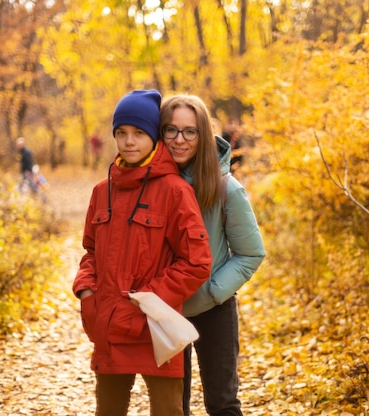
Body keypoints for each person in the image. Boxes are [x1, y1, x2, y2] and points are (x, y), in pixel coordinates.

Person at [72, 90, 213, 416]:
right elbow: (90, 251)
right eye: (121, 133)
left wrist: (148, 300)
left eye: (138, 133)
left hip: (154, 327)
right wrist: (87, 290)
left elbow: (196, 262)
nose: (129, 141)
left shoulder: (176, 191)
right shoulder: (101, 191)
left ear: (154, 137)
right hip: (109, 326)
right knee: (107, 411)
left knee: (167, 411)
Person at [160, 94, 266, 416]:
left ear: (203, 134)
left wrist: (212, 291)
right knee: (173, 407)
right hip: (167, 310)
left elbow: (251, 253)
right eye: (171, 130)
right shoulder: (150, 188)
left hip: (214, 310)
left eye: (189, 131)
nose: (180, 140)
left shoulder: (225, 188)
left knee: (222, 404)